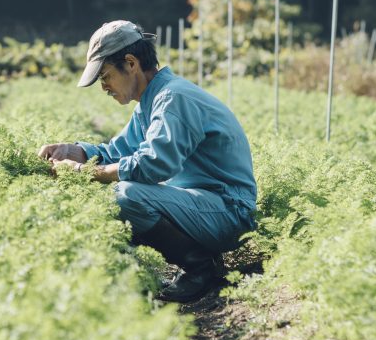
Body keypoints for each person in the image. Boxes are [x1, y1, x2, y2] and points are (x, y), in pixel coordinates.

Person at [38, 20, 257, 303]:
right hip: (203, 205)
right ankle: (188, 262)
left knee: (124, 195)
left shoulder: (173, 98)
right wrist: (71, 151)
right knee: (117, 186)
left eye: (105, 76)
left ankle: (201, 269)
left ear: (130, 63)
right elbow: (117, 151)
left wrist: (85, 172)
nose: (103, 86)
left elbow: (153, 166)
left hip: (228, 211)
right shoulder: (152, 101)